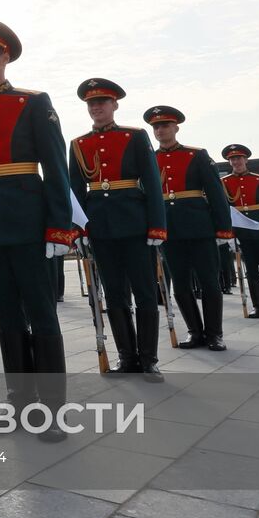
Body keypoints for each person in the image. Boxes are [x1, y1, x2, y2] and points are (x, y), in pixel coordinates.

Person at [0, 19, 75, 441]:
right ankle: (19, 401)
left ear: (5, 57)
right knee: (6, 316)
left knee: (41, 315)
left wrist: (60, 228)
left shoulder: (33, 102)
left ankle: (53, 408)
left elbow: (57, 169)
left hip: (29, 221)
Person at [67, 79, 166, 381]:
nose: (96, 107)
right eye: (91, 104)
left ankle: (148, 358)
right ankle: (127, 357)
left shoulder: (134, 136)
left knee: (145, 293)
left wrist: (157, 226)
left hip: (134, 224)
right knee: (113, 295)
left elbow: (152, 182)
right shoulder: (78, 144)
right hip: (100, 226)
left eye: (102, 102)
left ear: (115, 105)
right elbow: (75, 190)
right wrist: (78, 229)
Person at [145, 106, 235, 350]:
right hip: (169, 231)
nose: (160, 130)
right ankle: (195, 331)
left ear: (176, 128)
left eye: (165, 125)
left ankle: (215, 333)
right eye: (156, 127)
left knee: (209, 282)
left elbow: (216, 194)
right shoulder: (149, 159)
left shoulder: (197, 155)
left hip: (199, 228)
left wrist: (223, 230)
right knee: (180, 284)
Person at [221, 145, 259, 318]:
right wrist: (230, 235)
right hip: (241, 233)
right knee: (251, 271)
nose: (236, 161)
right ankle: (258, 307)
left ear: (246, 160)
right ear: (229, 161)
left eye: (239, 158)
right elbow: (226, 211)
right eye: (233, 159)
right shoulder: (224, 182)